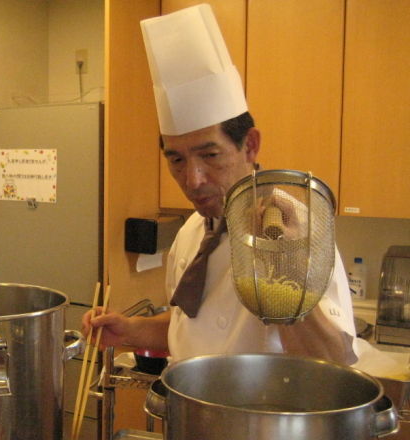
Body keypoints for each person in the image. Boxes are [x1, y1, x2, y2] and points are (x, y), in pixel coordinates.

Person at [83, 5, 357, 366]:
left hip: (260, 420)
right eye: (176, 159)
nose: (193, 180)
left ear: (251, 145)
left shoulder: (297, 232)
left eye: (210, 155)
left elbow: (335, 361)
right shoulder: (194, 231)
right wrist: (133, 330)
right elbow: (196, 331)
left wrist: (284, 275)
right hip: (193, 416)